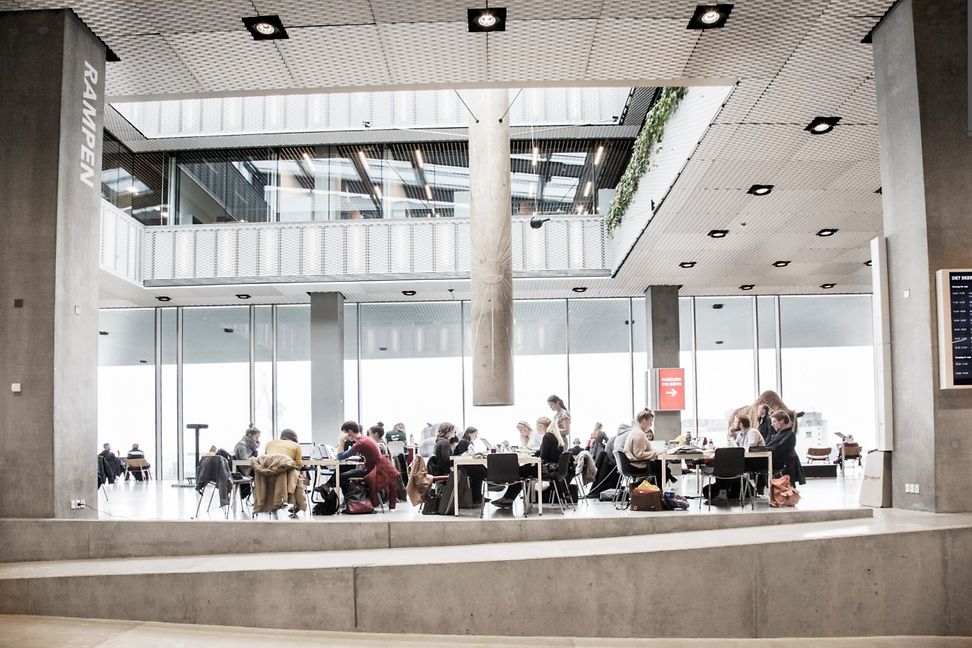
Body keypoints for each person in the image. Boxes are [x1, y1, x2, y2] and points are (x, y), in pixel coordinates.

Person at [492, 419, 563, 508]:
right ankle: (507, 498)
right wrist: (534, 454)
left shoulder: (547, 437)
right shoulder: (554, 436)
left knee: (519, 471)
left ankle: (507, 497)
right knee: (522, 471)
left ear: (542, 426)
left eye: (538, 426)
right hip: (552, 469)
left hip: (545, 470)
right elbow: (543, 453)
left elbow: (543, 456)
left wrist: (533, 456)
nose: (536, 428)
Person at [624, 409, 669, 486]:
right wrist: (656, 453)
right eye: (650, 422)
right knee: (665, 470)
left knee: (662, 466)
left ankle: (652, 490)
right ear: (644, 420)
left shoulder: (635, 432)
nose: (651, 424)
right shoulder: (639, 434)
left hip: (631, 464)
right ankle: (655, 492)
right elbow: (639, 454)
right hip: (637, 465)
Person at [335, 423, 382, 493]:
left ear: (349, 431)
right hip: (376, 469)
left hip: (371, 471)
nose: (344, 435)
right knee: (342, 469)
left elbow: (340, 457)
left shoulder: (361, 442)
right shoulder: (365, 438)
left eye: (344, 432)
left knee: (341, 477)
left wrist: (342, 440)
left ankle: (349, 499)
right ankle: (327, 486)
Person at [765, 411, 805, 486]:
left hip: (784, 468)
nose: (772, 424)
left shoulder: (790, 435)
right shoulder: (777, 435)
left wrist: (765, 449)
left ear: (782, 421)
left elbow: (779, 449)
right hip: (778, 466)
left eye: (774, 422)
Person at [455, 426, 486, 506]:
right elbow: (464, 456)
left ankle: (478, 496)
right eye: (475, 435)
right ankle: (477, 497)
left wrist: (477, 454)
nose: (476, 437)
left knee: (480, 470)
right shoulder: (464, 442)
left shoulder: (466, 442)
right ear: (470, 433)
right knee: (479, 472)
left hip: (465, 465)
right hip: (462, 466)